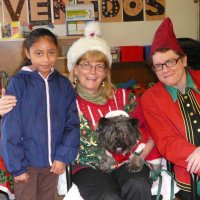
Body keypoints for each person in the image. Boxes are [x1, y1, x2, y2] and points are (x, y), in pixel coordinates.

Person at [0, 22, 160, 200]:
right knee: (108, 196)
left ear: (106, 71)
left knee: (137, 184)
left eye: (99, 65)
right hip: (87, 167)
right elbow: (33, 118)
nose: (93, 71)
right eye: (86, 64)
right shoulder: (63, 97)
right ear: (75, 68)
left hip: (128, 161)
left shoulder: (124, 97)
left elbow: (146, 130)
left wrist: (138, 155)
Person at [0, 28, 80, 200]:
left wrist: (62, 156)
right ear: (27, 52)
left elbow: (72, 124)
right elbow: (10, 127)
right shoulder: (18, 83)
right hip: (25, 163)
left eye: (51, 53)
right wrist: (17, 166)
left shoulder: (63, 84)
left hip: (53, 164)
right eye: (38, 53)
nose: (46, 59)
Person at [140, 17, 200, 200]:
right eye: (158, 66)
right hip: (188, 171)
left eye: (170, 62)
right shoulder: (150, 98)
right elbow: (167, 142)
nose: (165, 70)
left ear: (183, 60)